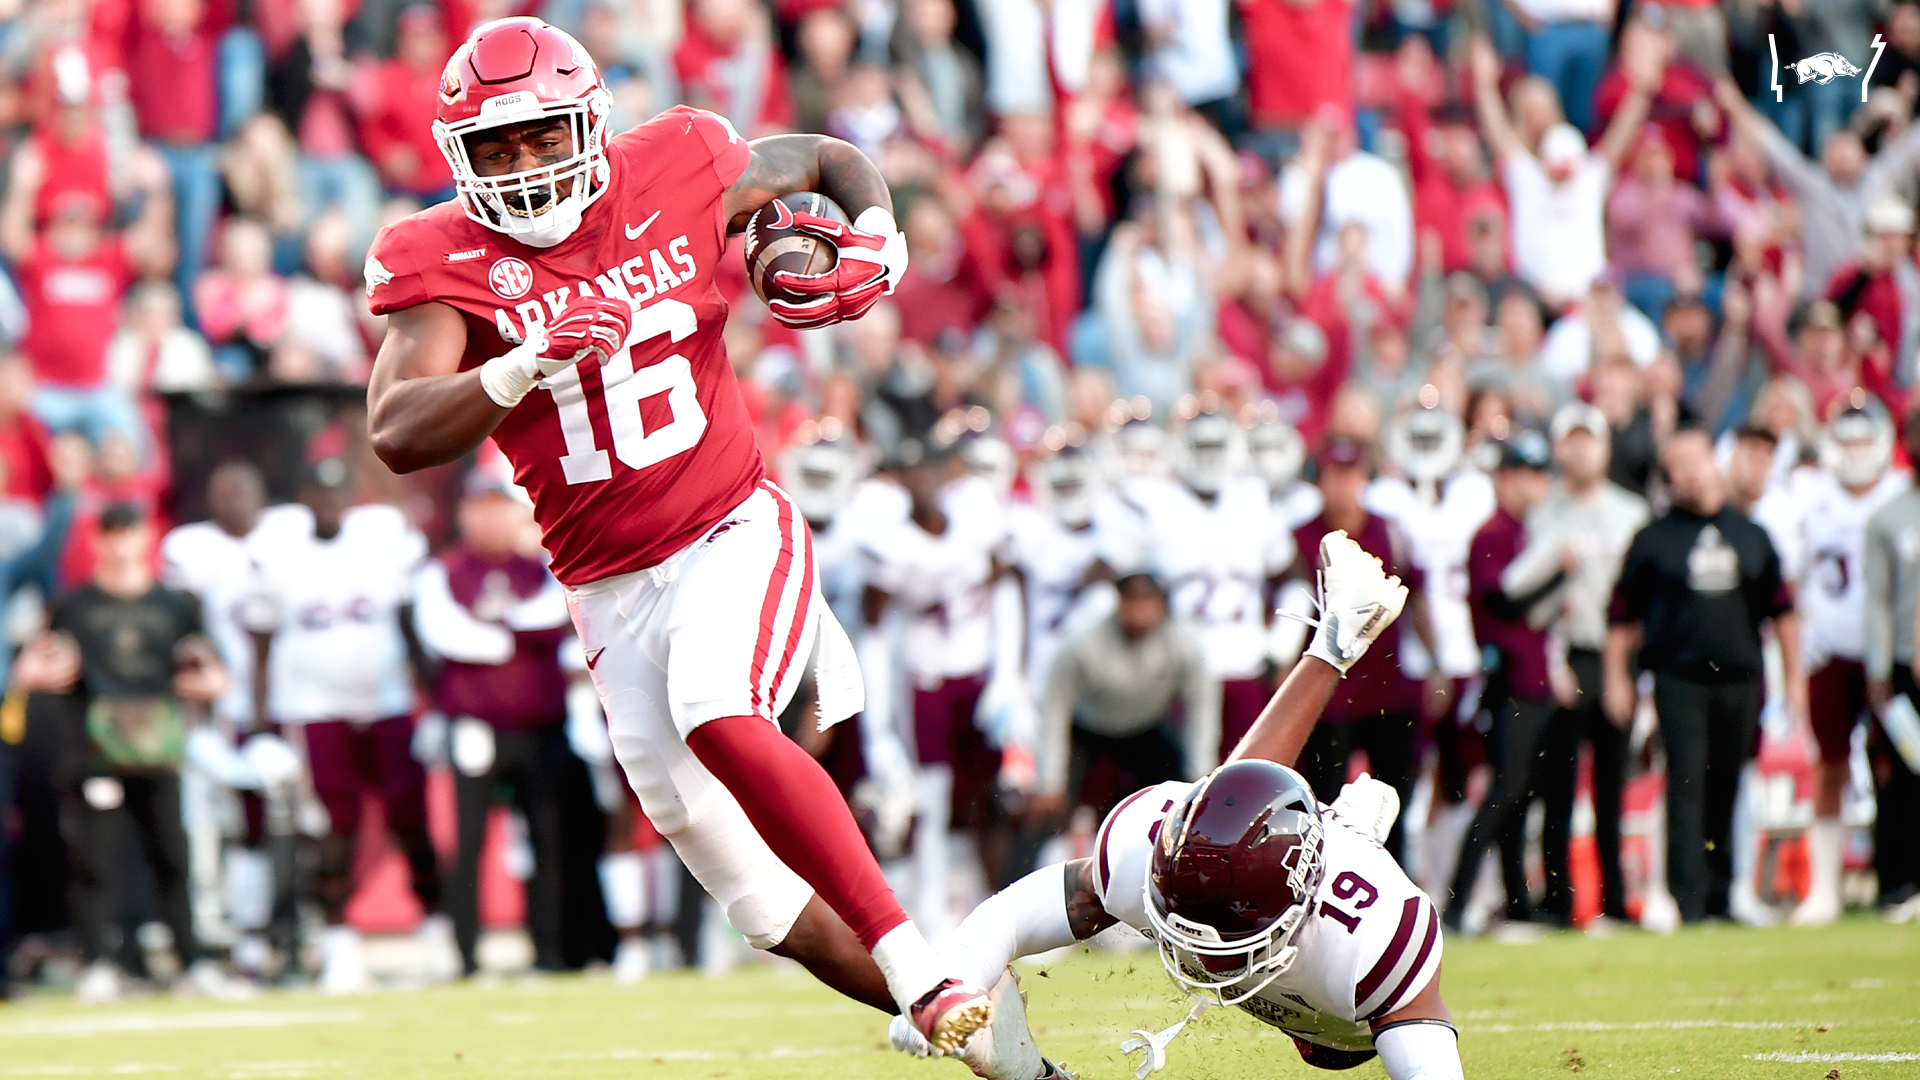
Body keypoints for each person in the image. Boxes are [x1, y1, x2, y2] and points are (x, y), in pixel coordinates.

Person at [361, 17, 989, 1045]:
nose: (521, 168)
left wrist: (877, 234)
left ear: (592, 125)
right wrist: (517, 366)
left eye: (541, 137)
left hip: (728, 523)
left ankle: (925, 976)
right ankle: (1000, 1043)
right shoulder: (444, 257)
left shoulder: (680, 160)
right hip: (606, 590)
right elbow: (394, 429)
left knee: (716, 706)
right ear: (459, 158)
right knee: (763, 905)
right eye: (495, 148)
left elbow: (829, 159)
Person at [895, 533, 1464, 1080]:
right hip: (1195, 809)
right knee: (1223, 803)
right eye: (1186, 919)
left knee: (1330, 1054)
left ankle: (1350, 820)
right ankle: (1333, 660)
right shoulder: (1148, 844)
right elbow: (1009, 916)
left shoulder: (1375, 938)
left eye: (1223, 926)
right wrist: (953, 987)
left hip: (1338, 1016)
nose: (1202, 950)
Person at [11, 503, 237, 1003]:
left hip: (158, 748)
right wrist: (53, 674)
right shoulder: (77, 605)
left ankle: (192, 963)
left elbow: (215, 673)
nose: (119, 544)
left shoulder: (172, 606)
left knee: (172, 857)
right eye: (109, 533)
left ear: (145, 536)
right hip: (96, 752)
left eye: (128, 532)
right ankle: (99, 963)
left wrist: (198, 684)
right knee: (98, 863)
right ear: (97, 541)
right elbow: (32, 669)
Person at [246, 458, 451, 992]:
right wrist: (264, 725)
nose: (328, 503)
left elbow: (408, 627)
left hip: (385, 700)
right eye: (319, 493)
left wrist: (435, 702)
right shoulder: (279, 554)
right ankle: (338, 942)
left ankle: (435, 926)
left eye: (337, 493)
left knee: (411, 818)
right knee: (333, 827)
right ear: (304, 498)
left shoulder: (379, 540)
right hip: (314, 705)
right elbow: (261, 647)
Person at [1605, 427, 1802, 926]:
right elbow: (1622, 617)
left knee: (1730, 785)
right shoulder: (1653, 539)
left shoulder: (1749, 533)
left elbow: (1782, 612)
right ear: (1668, 477)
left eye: (1696, 460)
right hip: (1679, 678)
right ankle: (1684, 898)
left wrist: (1795, 680)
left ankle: (1727, 890)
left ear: (1714, 462)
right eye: (1678, 465)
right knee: (1686, 784)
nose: (1689, 472)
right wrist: (1617, 679)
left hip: (1740, 678)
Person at [412, 472, 578, 973]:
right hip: (476, 726)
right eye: (480, 509)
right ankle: (467, 954)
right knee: (468, 844)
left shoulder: (540, 569)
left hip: (540, 724)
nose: (490, 519)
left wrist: (500, 626)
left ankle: (550, 950)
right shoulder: (444, 571)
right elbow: (447, 634)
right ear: (464, 515)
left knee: (548, 839)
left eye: (498, 508)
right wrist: (509, 637)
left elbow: (558, 614)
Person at [1501, 403, 1650, 927]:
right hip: (1559, 658)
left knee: (1613, 786)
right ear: (1559, 448)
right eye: (1573, 440)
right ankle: (1560, 903)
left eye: (1591, 439)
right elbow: (1525, 598)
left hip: (1614, 657)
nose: (1582, 449)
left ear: (1605, 448)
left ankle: (1615, 902)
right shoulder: (1543, 513)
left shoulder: (1632, 513)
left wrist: (1630, 671)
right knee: (1555, 786)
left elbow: (1642, 601)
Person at [1277, 437, 1432, 862]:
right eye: (1335, 475)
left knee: (1395, 796)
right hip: (1330, 691)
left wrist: (1433, 661)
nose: (1344, 485)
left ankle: (1395, 881)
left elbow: (1416, 596)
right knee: (1322, 801)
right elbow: (1289, 609)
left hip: (1389, 683)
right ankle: (1321, 883)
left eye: (1352, 475)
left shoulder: (1390, 531)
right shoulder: (1300, 538)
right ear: (1321, 480)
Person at [1790, 397, 1910, 926]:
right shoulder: (1809, 497)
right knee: (1830, 767)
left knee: (1900, 768)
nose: (1858, 451)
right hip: (1831, 647)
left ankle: (1897, 880)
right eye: (1849, 440)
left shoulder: (1903, 494)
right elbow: (1794, 580)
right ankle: (1826, 887)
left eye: (1866, 439)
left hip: (1895, 653)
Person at [1446, 431, 1563, 931]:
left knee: (1521, 796)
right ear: (1503, 479)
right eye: (1524, 474)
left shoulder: (1523, 532)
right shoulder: (1492, 534)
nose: (1533, 485)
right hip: (1509, 677)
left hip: (1534, 679)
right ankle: (1457, 901)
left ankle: (1517, 903)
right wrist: (1560, 577)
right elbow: (1503, 601)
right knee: (1505, 790)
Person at [1032, 570, 1218, 823]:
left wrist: (1201, 772)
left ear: (1161, 604)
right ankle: (1028, 861)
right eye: (1132, 601)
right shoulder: (1083, 644)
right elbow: (1054, 709)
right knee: (1046, 810)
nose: (1139, 611)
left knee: (1183, 803)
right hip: (1088, 730)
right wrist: (1050, 781)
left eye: (1147, 601)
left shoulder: (1182, 643)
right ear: (1119, 602)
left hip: (1148, 729)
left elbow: (1201, 706)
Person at [1862, 401, 1920, 921]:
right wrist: (1879, 669)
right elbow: (1877, 599)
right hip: (1906, 667)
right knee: (1902, 775)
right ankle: (1898, 884)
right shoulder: (1889, 517)